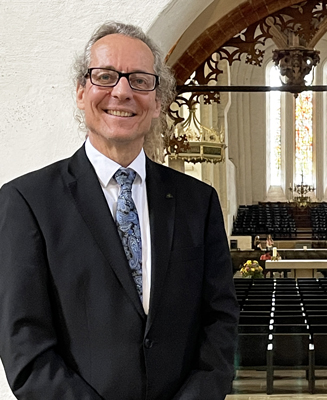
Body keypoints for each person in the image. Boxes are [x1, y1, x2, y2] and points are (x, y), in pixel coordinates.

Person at [0, 22, 238, 400]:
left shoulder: (198, 201)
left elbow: (220, 324)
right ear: (81, 91)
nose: (123, 91)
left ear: (158, 101)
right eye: (105, 76)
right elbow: (25, 347)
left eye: (141, 81)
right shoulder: (27, 201)